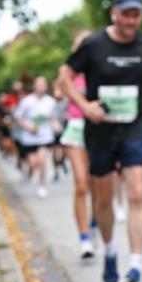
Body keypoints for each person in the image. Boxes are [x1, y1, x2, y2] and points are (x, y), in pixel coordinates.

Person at [58, 0, 142, 282]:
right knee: (103, 199)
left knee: (136, 193)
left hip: (134, 128)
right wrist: (84, 106)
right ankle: (109, 251)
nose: (132, 21)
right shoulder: (94, 44)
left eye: (137, 14)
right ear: (114, 14)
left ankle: (135, 266)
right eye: (127, 14)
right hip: (101, 131)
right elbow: (65, 77)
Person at [60, 31, 96, 260]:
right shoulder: (68, 72)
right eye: (79, 44)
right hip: (75, 128)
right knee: (81, 184)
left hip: (98, 130)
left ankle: (95, 222)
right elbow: (59, 88)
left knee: (98, 185)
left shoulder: (101, 69)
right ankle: (84, 237)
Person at [14, 77, 59, 198]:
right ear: (34, 86)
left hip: (45, 137)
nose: (41, 87)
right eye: (39, 85)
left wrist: (56, 126)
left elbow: (53, 119)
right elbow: (19, 117)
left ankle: (42, 186)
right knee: (34, 164)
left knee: (42, 160)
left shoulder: (50, 101)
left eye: (43, 85)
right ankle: (29, 172)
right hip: (29, 138)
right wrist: (28, 126)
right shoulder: (26, 101)